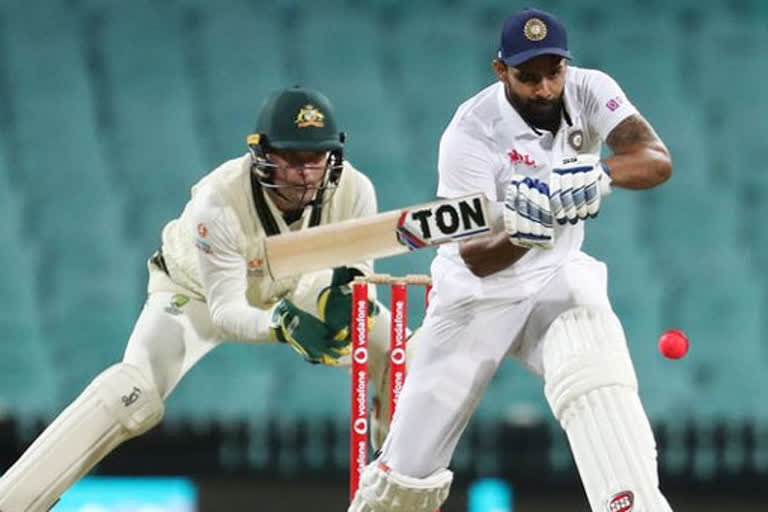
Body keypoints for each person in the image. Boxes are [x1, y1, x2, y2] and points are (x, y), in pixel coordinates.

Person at [0, 86, 398, 512]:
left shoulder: (355, 189)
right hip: (194, 296)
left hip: (296, 285)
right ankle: (12, 501)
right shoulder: (220, 200)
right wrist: (284, 325)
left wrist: (334, 313)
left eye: (315, 159)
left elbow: (358, 284)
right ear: (262, 152)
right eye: (292, 158)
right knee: (131, 392)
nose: (305, 172)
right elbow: (226, 313)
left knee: (399, 353)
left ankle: (396, 484)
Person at [350, 8, 673, 512]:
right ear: (501, 71)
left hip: (556, 278)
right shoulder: (469, 133)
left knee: (597, 378)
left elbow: (655, 159)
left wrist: (598, 174)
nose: (544, 88)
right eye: (528, 77)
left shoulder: (588, 89)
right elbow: (478, 259)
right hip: (474, 300)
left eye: (553, 73)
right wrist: (534, 223)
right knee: (403, 482)